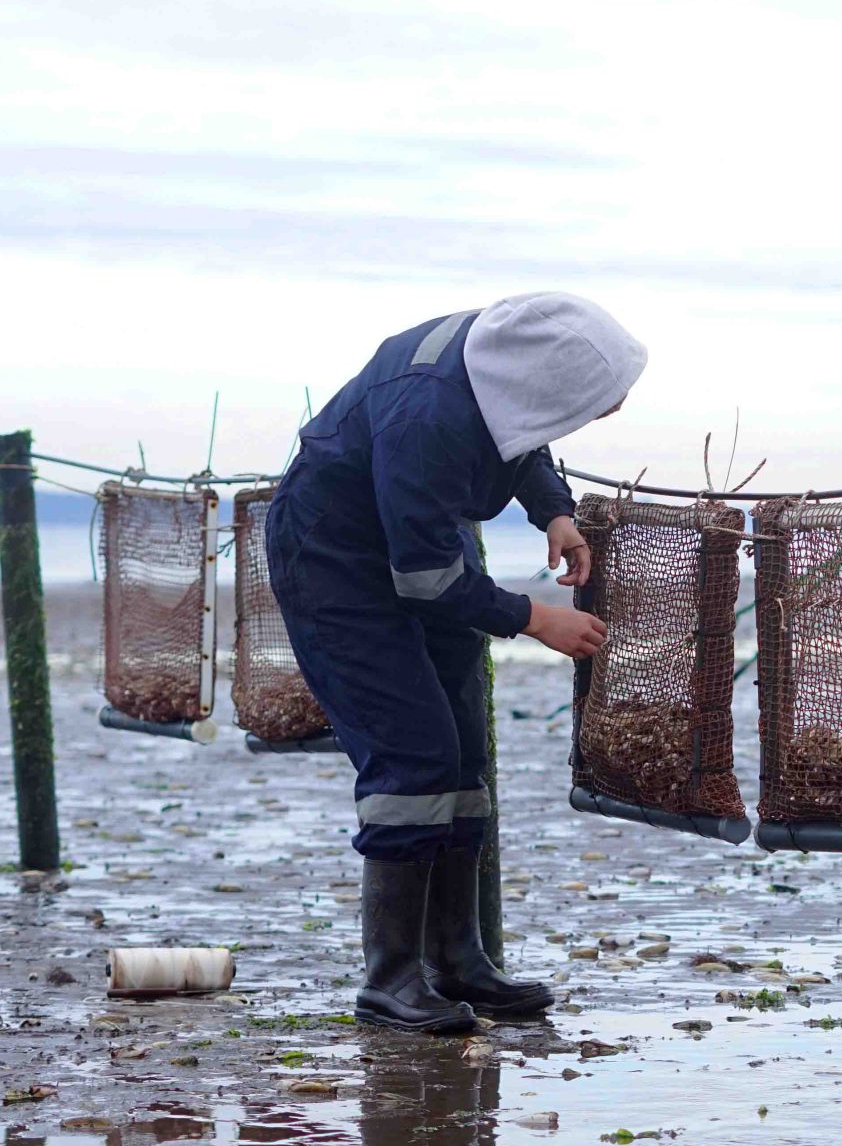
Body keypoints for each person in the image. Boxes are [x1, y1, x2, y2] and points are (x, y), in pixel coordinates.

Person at [268, 294, 643, 1035]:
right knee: (415, 752)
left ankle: (458, 958)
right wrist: (539, 620)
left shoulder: (503, 358)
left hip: (419, 543)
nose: (598, 414)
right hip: (336, 562)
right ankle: (390, 979)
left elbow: (520, 438)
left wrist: (554, 512)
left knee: (464, 748)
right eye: (593, 403)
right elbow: (425, 581)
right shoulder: (426, 416)